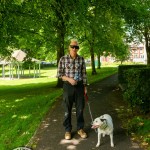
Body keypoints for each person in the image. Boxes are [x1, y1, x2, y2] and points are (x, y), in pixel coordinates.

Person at [57, 39, 88, 140]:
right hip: (68, 87)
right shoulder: (63, 59)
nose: (74, 48)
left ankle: (80, 129)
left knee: (80, 109)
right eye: (72, 46)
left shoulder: (81, 59)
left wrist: (85, 86)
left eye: (76, 47)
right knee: (67, 109)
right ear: (69, 47)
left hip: (79, 87)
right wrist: (69, 79)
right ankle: (67, 130)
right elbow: (59, 74)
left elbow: (84, 74)